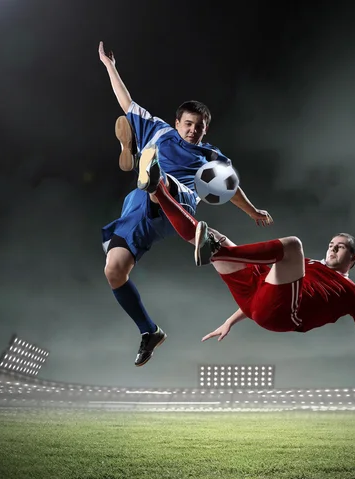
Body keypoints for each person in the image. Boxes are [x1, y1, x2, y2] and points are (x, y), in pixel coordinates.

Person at [136, 151, 355, 405]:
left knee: (292, 245)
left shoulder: (354, 293)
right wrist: (230, 321)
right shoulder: (309, 265)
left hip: (285, 313)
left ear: (353, 258)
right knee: (215, 238)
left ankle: (217, 252)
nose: (332, 248)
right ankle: (158, 189)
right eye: (332, 243)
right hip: (255, 298)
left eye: (341, 246)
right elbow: (267, 289)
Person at [98, 41, 273, 367]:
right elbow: (126, 101)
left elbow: (230, 189)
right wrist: (110, 66)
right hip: (137, 208)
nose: (193, 130)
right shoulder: (159, 129)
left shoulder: (210, 156)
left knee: (159, 186)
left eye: (199, 127)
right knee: (114, 271)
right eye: (188, 124)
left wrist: (253, 212)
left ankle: (151, 175)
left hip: (176, 204)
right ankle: (150, 332)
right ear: (177, 123)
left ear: (206, 131)